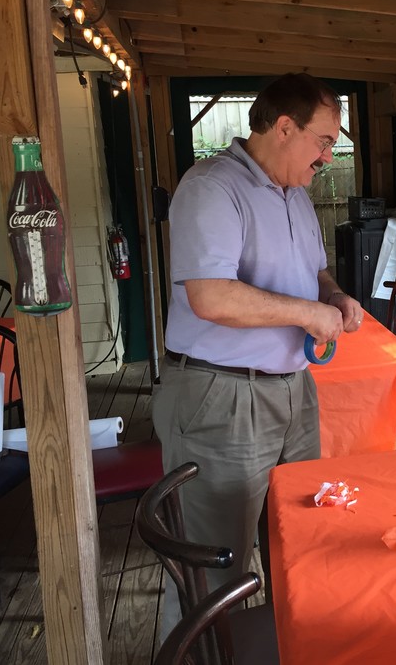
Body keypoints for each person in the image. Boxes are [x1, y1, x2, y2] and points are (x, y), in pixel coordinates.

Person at [151, 72, 364, 635]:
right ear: (285, 127)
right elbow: (210, 296)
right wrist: (307, 314)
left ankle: (289, 645)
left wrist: (333, 296)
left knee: (302, 538)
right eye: (324, 140)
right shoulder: (211, 187)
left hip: (292, 391)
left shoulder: (295, 193)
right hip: (221, 395)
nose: (330, 155)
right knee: (215, 563)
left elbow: (315, 272)